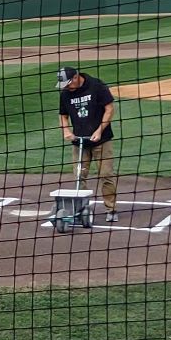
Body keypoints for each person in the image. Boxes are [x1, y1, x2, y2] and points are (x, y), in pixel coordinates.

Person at [56, 65, 119, 224]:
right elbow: (63, 115)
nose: (66, 88)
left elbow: (109, 109)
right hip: (79, 142)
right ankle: (81, 209)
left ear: (76, 77)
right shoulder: (65, 93)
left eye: (68, 84)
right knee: (79, 176)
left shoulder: (96, 85)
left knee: (106, 175)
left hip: (101, 141)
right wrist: (66, 130)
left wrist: (100, 130)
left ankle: (111, 209)